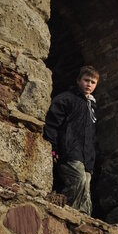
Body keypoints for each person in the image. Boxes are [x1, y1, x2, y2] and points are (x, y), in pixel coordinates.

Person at [43, 66, 99, 214]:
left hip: (87, 157)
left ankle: (83, 223)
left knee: (86, 191)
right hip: (69, 151)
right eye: (86, 80)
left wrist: (93, 157)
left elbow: (92, 135)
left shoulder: (91, 106)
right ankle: (67, 216)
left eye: (93, 82)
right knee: (77, 181)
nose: (89, 84)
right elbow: (52, 123)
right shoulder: (66, 98)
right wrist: (53, 147)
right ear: (78, 80)